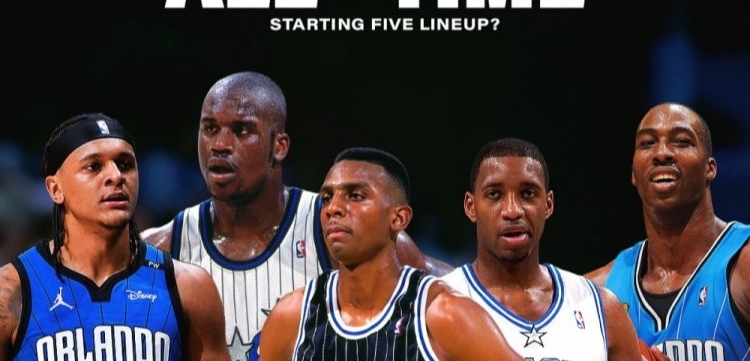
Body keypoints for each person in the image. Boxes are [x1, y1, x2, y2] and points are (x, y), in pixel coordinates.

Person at [140, 71, 453, 360]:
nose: (220, 145)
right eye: (210, 129)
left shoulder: (336, 224)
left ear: (279, 146)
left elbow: (449, 290)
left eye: (242, 130)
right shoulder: (162, 248)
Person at [0, 112, 230, 360]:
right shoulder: (11, 290)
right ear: (56, 189)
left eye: (125, 164)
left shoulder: (189, 287)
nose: (116, 175)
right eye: (94, 166)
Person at [259, 147, 522, 360]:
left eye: (355, 196)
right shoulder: (291, 317)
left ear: (398, 219)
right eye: (327, 197)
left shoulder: (443, 315)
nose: (333, 208)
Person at [441, 137, 644, 360]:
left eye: (527, 193)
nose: (512, 210)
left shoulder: (602, 309)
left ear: (548, 204)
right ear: (470, 207)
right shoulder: (438, 306)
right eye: (494, 194)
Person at [586, 102, 750, 359]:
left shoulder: (743, 264)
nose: (662, 153)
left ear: (710, 168)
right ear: (634, 173)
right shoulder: (598, 293)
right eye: (647, 143)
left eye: (682, 142)